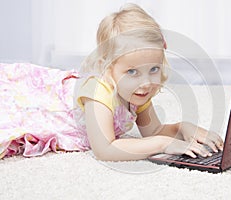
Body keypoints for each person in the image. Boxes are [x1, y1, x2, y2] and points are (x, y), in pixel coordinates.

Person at [76, 3, 223, 161]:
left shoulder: (137, 92)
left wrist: (183, 128)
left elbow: (153, 132)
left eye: (154, 69)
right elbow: (104, 149)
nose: (146, 83)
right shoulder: (98, 90)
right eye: (132, 72)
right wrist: (161, 144)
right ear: (107, 66)